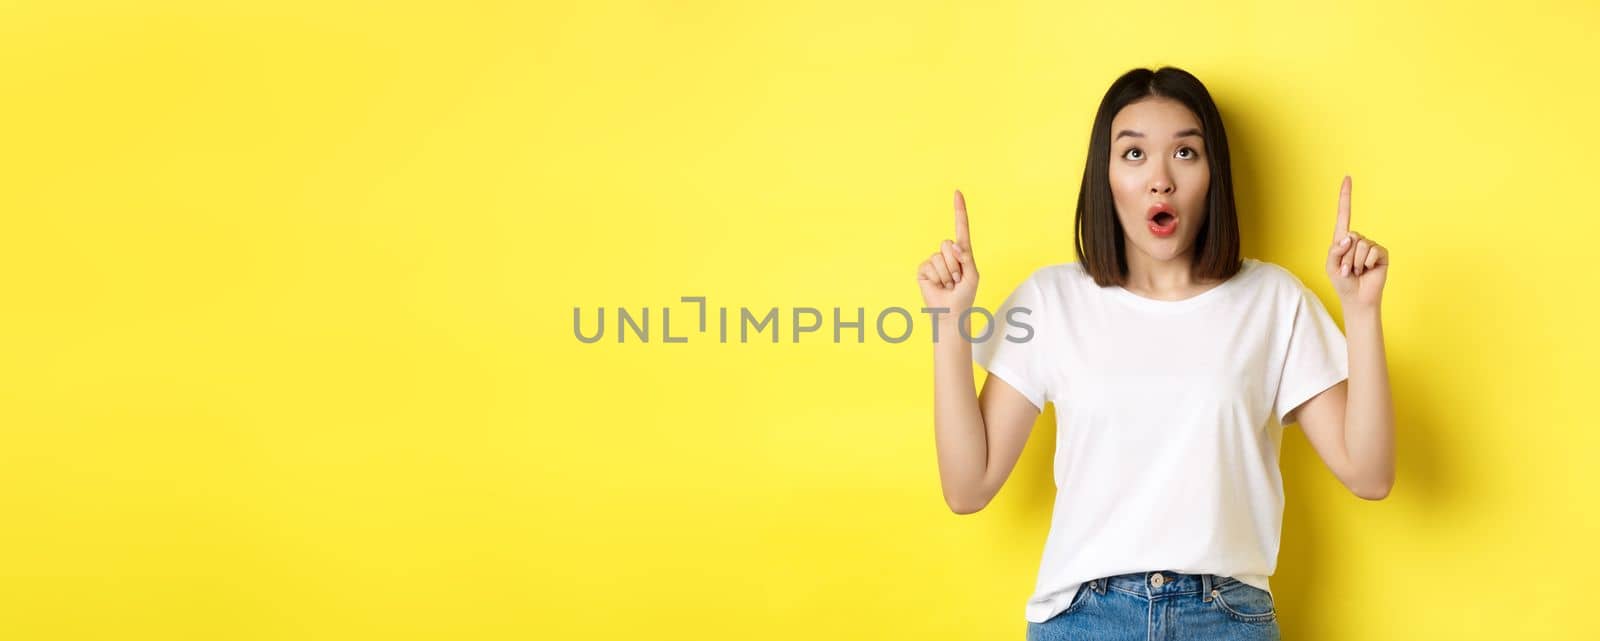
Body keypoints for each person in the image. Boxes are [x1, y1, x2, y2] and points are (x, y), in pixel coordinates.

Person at [917, 66, 1395, 641]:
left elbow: (1369, 474)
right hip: (1084, 619)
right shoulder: (1051, 300)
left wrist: (1362, 311)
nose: (1160, 180)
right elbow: (967, 488)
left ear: (1213, 173)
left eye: (1186, 153)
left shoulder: (1272, 300)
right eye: (1135, 154)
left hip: (1226, 618)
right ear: (1106, 175)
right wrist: (948, 320)